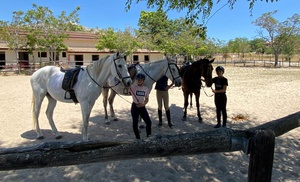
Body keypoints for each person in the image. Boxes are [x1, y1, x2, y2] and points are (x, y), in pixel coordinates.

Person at [128, 73, 152, 139]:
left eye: (141, 80)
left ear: (143, 80)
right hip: (134, 107)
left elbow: (147, 99)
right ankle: (137, 138)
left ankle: (149, 136)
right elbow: (126, 86)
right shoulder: (132, 87)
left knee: (149, 122)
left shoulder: (146, 89)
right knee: (135, 123)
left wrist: (144, 104)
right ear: (136, 80)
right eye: (138, 79)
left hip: (142, 107)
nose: (139, 81)